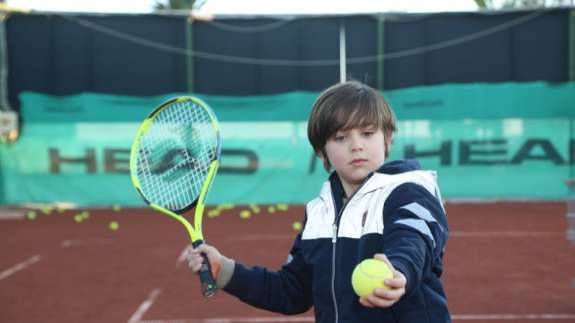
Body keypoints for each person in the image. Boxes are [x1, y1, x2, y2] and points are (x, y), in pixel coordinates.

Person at [188, 80, 451, 322]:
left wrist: (399, 270)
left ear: (388, 138)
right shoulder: (318, 213)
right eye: (340, 137)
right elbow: (292, 291)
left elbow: (414, 239)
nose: (356, 145)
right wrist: (226, 271)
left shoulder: (409, 190)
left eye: (367, 133)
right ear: (321, 151)